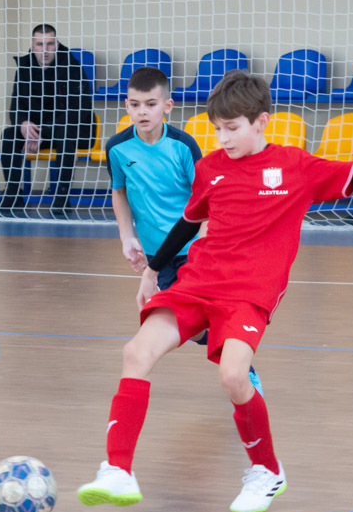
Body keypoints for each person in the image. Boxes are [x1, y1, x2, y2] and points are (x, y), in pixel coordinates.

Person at [76, 71, 353, 512]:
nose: (222, 138)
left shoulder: (294, 167)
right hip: (198, 282)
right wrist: (152, 272)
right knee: (136, 353)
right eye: (217, 129)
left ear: (261, 122)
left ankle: (267, 471)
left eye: (232, 128)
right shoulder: (210, 169)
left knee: (234, 377)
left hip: (249, 293)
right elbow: (188, 224)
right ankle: (118, 470)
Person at [108, 66, 263, 393]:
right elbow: (119, 192)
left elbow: (206, 198)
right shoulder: (117, 148)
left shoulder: (183, 146)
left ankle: (241, 370)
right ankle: (237, 363)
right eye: (135, 105)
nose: (142, 112)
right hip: (158, 254)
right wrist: (126, 237)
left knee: (198, 315)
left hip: (193, 247)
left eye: (150, 104)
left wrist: (205, 244)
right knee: (192, 325)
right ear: (126, 106)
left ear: (168, 106)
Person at [0, 24, 94, 218]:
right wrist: (23, 124)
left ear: (57, 44)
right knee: (9, 134)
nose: (45, 50)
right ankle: (13, 194)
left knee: (65, 131)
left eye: (50, 44)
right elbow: (16, 106)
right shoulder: (24, 69)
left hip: (69, 131)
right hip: (38, 131)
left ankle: (62, 197)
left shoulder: (72, 67)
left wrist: (45, 130)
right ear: (33, 45)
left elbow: (79, 110)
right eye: (40, 44)